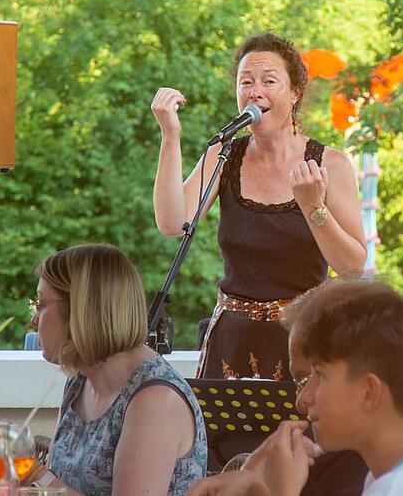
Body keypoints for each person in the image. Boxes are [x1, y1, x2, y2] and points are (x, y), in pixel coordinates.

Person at [151, 31, 366, 388]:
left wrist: (314, 208)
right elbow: (172, 222)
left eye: (269, 81)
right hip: (231, 343)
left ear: (295, 92)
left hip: (304, 340)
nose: (255, 91)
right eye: (246, 82)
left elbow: (352, 266)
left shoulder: (330, 164)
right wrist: (170, 136)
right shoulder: (225, 155)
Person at [187, 277, 403, 496]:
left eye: (319, 376)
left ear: (369, 392)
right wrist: (254, 484)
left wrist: (283, 490)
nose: (304, 398)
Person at [32, 243, 207, 496]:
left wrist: (37, 476)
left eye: (41, 305)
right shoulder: (80, 382)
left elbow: (51, 483)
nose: (34, 319)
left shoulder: (154, 399)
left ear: (81, 310)